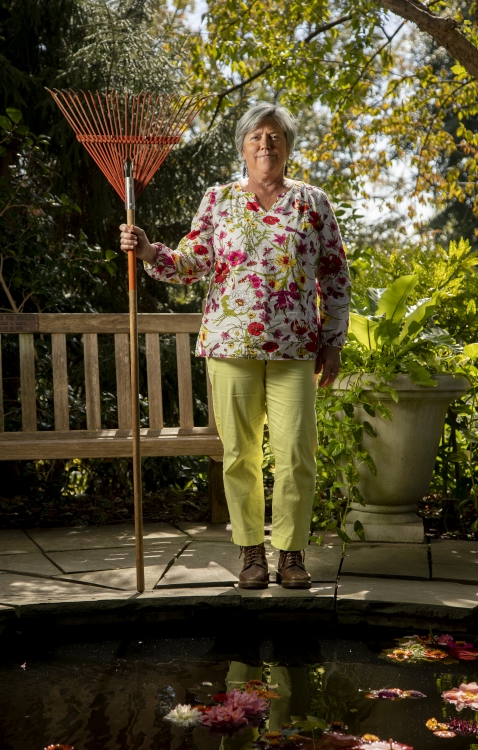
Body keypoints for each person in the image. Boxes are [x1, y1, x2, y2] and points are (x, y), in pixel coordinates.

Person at [120, 102, 351, 590]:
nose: (265, 145)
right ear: (242, 147)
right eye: (256, 137)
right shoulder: (219, 199)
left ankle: (290, 554)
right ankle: (250, 553)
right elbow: (192, 260)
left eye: (274, 137)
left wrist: (332, 340)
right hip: (230, 346)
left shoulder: (312, 202)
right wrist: (147, 250)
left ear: (288, 146)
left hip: (294, 348)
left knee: (296, 453)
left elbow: (334, 274)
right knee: (240, 455)